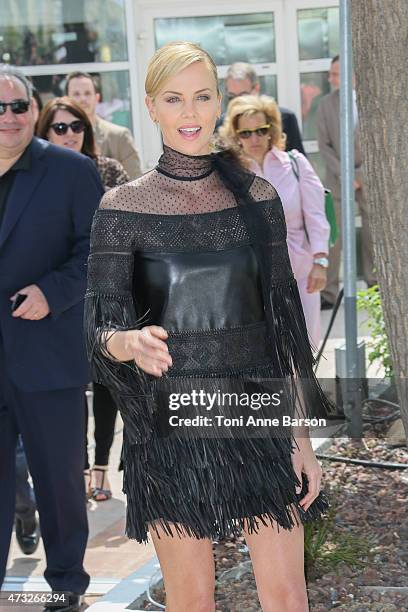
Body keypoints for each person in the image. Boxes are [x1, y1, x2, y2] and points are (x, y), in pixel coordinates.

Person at [85, 42, 334, 612]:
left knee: (288, 597)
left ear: (219, 101)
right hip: (170, 424)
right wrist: (129, 343)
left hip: (257, 415)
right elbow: (99, 330)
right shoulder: (122, 207)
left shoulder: (258, 197)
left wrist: (303, 441)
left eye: (201, 96)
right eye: (174, 99)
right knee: (192, 600)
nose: (190, 112)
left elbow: (286, 333)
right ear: (151, 107)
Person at [0, 64, 104, 612]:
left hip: (48, 357)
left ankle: (67, 585)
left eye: (18, 106)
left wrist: (53, 292)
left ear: (34, 110)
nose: (9, 118)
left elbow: (99, 252)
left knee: (60, 485)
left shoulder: (68, 171)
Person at [37, 96, 129, 501]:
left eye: (77, 127)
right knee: (72, 389)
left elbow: (130, 228)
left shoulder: (106, 170)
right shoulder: (30, 178)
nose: (70, 134)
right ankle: (74, 468)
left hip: (105, 291)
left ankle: (101, 470)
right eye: (60, 128)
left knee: (106, 382)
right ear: (44, 131)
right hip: (55, 298)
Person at [219, 95, 330, 347]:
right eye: (246, 133)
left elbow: (316, 216)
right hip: (253, 280)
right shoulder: (230, 175)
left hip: (302, 275)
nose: (254, 139)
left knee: (306, 348)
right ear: (236, 135)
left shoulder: (295, 164)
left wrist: (320, 260)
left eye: (261, 130)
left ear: (272, 130)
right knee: (266, 353)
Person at [316, 55, 376, 309]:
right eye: (331, 74)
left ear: (351, 74)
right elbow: (324, 146)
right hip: (338, 180)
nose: (331, 79)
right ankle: (328, 293)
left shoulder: (371, 100)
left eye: (336, 74)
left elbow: (379, 143)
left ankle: (375, 285)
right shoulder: (326, 105)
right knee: (335, 236)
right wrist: (346, 175)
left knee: (374, 235)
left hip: (370, 180)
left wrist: (361, 176)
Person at [65, 71, 142, 180]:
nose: (83, 99)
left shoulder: (119, 137)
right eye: (76, 94)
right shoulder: (58, 138)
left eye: (87, 93)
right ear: (66, 99)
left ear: (97, 98)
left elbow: (136, 185)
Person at [219, 62, 306, 155]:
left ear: (256, 89)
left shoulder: (285, 118)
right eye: (232, 97)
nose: (237, 101)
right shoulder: (221, 125)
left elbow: (298, 162)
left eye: (243, 95)